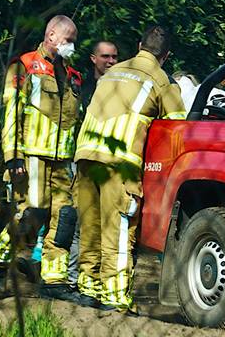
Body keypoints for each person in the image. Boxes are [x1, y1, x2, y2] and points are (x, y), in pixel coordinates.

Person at [73, 25, 186, 312]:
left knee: (90, 224)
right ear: (166, 55)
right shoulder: (161, 80)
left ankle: (88, 286)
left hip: (86, 153)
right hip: (119, 161)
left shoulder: (113, 71)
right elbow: (177, 126)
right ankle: (115, 296)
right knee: (118, 228)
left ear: (139, 45)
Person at [0, 15, 83, 300]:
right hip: (32, 156)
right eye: (68, 39)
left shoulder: (73, 76)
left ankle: (54, 281)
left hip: (63, 161)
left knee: (64, 219)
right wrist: (12, 157)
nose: (71, 46)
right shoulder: (25, 65)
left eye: (74, 41)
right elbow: (11, 113)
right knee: (32, 215)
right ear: (51, 35)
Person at [82, 41, 119, 112]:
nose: (111, 61)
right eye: (105, 56)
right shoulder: (82, 85)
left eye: (114, 57)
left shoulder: (122, 86)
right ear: (93, 59)